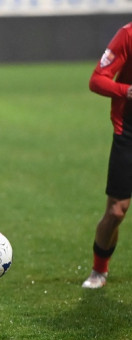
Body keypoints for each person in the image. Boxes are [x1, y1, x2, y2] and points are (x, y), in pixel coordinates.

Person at [81, 22, 132, 289]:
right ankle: (99, 270)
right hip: (129, 132)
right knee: (115, 212)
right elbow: (97, 79)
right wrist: (127, 91)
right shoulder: (128, 35)